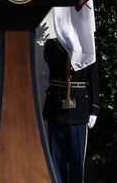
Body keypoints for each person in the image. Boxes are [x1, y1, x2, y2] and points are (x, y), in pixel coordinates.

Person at [42, 37, 99, 183]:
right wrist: (63, 44)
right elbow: (52, 62)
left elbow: (93, 78)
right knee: (56, 159)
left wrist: (94, 109)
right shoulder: (52, 45)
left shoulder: (87, 45)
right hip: (56, 107)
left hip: (79, 108)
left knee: (77, 159)